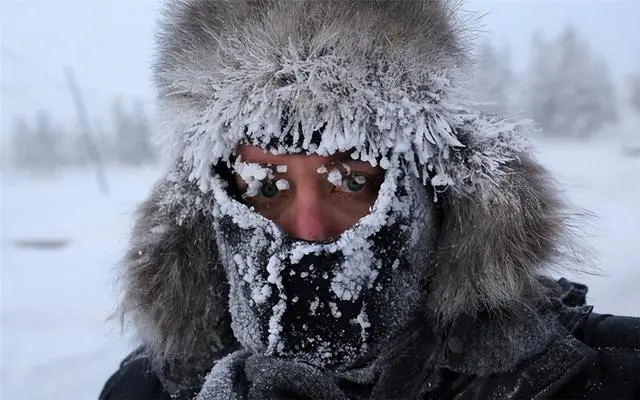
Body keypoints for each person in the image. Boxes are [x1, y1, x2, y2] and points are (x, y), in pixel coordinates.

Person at [99, 1, 640, 399]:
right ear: (212, 208)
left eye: (351, 181)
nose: (308, 230)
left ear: (429, 193)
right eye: (266, 186)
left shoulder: (592, 376)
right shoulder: (146, 389)